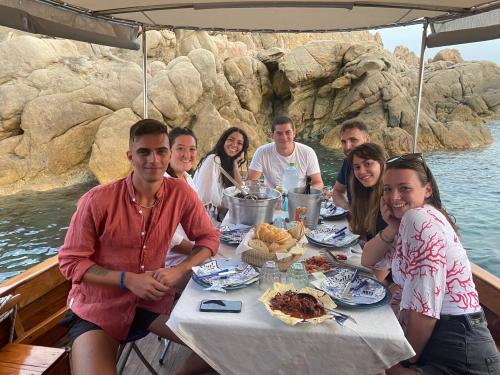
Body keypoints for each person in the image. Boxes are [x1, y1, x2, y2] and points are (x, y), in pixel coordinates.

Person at [58, 119, 220, 375]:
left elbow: (209, 239)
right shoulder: (97, 200)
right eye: (144, 151)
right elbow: (71, 262)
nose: (153, 159)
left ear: (169, 154)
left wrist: (180, 271)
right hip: (98, 306)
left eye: (161, 151)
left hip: (150, 304)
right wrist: (128, 280)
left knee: (224, 349)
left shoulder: (181, 194)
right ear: (130, 156)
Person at [361, 154, 499, 375]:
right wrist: (392, 227)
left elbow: (425, 310)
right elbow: (368, 260)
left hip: (458, 349)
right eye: (387, 189)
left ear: (427, 190)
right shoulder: (410, 220)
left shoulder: (419, 221)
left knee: (372, 364)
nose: (394, 197)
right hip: (451, 336)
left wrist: (405, 363)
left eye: (404, 188)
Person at [247, 116, 323, 190]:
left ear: (294, 133)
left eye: (288, 132)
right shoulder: (262, 152)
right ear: (272, 135)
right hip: (271, 197)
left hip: (298, 197)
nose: (284, 137)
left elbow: (318, 183)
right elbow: (251, 181)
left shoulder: (307, 152)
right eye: (279, 133)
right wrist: (260, 188)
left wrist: (305, 192)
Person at [164, 127, 199, 272]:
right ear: (168, 151)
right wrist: (200, 251)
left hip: (195, 252)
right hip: (176, 263)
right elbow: (169, 236)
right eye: (180, 148)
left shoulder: (187, 177)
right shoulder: (163, 184)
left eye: (192, 149)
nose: (187, 154)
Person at [193, 127, 249, 208]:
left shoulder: (228, 163)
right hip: (205, 215)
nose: (234, 144)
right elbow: (206, 200)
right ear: (223, 141)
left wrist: (235, 165)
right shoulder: (214, 160)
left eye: (239, 143)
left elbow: (242, 191)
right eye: (231, 139)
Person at [348, 143, 388, 242]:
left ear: (382, 164)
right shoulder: (364, 193)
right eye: (357, 167)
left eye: (368, 164)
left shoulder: (390, 197)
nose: (361, 171)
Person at [331, 119, 370, 210]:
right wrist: (349, 208)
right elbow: (337, 191)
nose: (348, 147)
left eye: (353, 140)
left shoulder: (382, 165)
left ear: (367, 139)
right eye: (344, 142)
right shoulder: (347, 162)